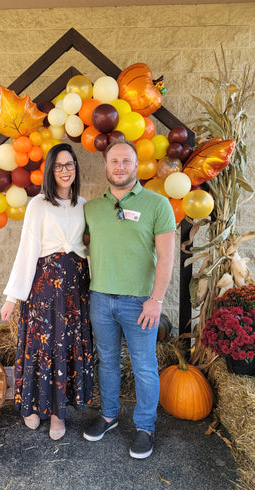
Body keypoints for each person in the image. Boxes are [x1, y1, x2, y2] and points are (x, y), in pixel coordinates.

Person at [83, 139, 176, 458]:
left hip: (141, 304)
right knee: (106, 361)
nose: (120, 166)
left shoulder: (158, 204)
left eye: (126, 161)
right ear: (105, 167)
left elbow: (166, 258)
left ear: (137, 166)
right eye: (114, 161)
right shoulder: (92, 208)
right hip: (100, 300)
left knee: (145, 366)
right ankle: (108, 416)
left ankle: (145, 427)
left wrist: (157, 299)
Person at [1, 143, 93, 441]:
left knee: (65, 350)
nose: (65, 171)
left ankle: (57, 414)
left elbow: (90, 248)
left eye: (70, 165)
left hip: (74, 287)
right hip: (44, 287)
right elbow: (27, 250)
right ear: (50, 171)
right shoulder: (38, 204)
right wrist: (12, 297)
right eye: (59, 166)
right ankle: (31, 407)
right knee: (42, 347)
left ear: (76, 169)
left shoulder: (83, 204)